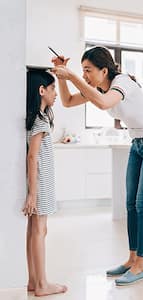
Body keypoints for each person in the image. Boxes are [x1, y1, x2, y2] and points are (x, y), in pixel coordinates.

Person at [51, 46, 143, 286]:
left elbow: (105, 104)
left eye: (88, 70)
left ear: (104, 70)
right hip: (139, 142)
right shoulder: (99, 87)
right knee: (130, 204)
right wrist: (61, 74)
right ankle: (131, 260)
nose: (84, 75)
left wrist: (72, 76)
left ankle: (141, 266)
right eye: (83, 70)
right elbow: (66, 101)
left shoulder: (122, 82)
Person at [23, 69, 67, 296]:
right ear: (42, 91)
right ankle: (42, 284)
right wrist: (32, 193)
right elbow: (32, 156)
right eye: (52, 89)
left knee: (34, 230)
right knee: (40, 230)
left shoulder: (35, 118)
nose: (56, 94)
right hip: (40, 185)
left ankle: (33, 280)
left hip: (38, 185)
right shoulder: (39, 122)